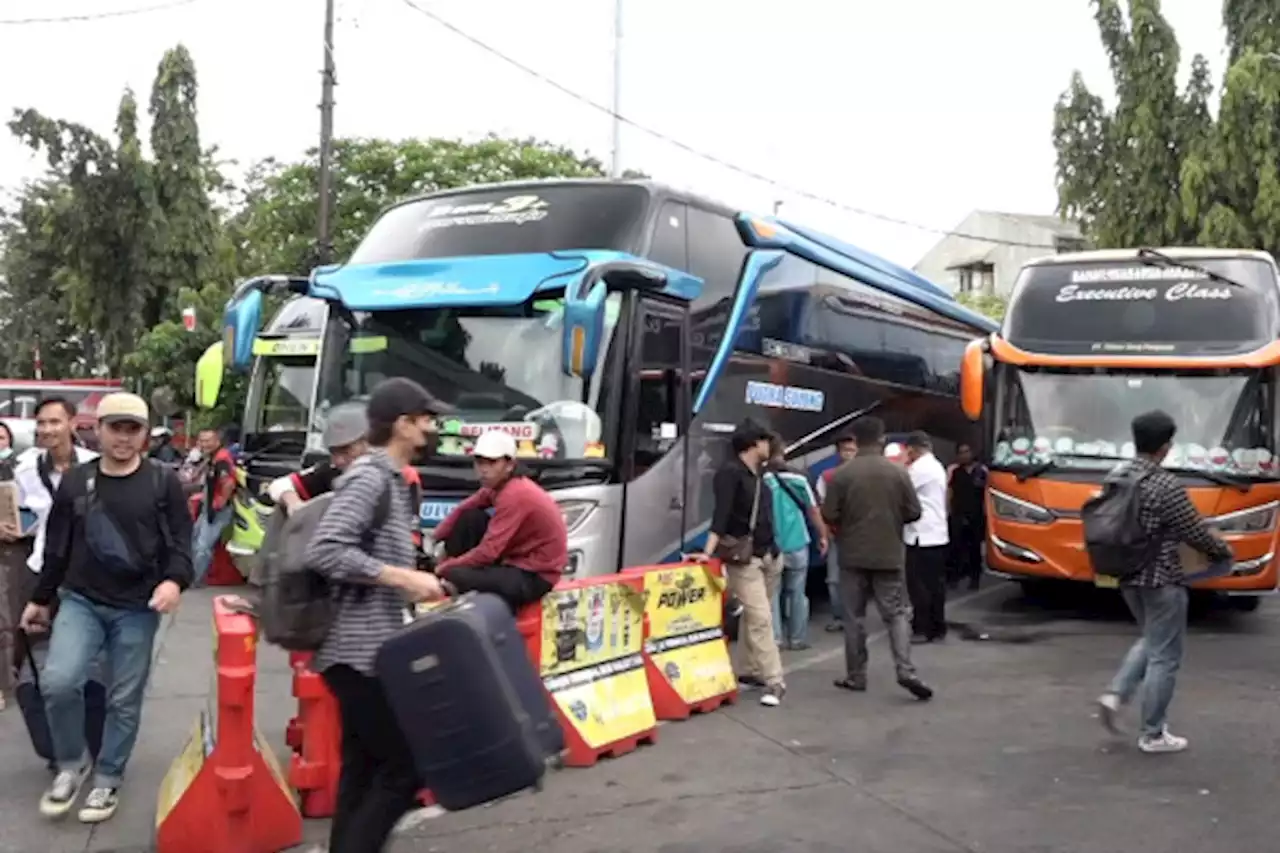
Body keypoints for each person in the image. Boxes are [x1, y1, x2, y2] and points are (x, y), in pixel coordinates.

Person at [20, 392, 193, 823]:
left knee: (124, 698)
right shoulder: (77, 481)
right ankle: (70, 764)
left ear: (145, 437)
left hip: (138, 607)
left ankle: (108, 777)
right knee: (58, 682)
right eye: (115, 427)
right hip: (80, 601)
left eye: (132, 429)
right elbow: (57, 547)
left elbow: (181, 544)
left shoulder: (163, 482)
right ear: (97, 431)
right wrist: (41, 599)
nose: (123, 437)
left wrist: (174, 581)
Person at [304, 377, 447, 853]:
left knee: (364, 768)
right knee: (405, 767)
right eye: (426, 418)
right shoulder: (370, 477)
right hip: (355, 650)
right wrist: (401, 578)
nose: (433, 427)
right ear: (403, 424)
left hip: (368, 647)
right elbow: (325, 551)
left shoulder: (390, 480)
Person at [1095, 410, 1232, 754]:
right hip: (1162, 577)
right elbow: (1194, 530)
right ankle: (1153, 733)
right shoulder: (1165, 485)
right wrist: (1223, 552)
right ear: (1167, 446)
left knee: (1153, 638)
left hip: (1125, 575)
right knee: (1166, 656)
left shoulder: (1116, 476)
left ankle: (1116, 694)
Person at [822, 416, 932, 700]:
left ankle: (856, 675)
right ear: (882, 439)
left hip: (852, 555)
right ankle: (906, 670)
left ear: (855, 441)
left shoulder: (842, 475)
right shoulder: (897, 473)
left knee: (853, 618)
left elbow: (829, 514)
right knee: (896, 613)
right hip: (889, 554)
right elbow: (914, 512)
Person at [2, 400, 99, 704]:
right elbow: (14, 508)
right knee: (28, 627)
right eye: (41, 423)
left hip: (85, 564)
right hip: (40, 561)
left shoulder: (95, 466)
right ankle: (30, 688)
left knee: (81, 631)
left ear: (72, 423)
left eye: (55, 422)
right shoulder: (25, 468)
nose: (47, 430)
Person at [694, 419, 784, 707]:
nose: (770, 446)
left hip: (769, 554)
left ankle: (749, 669)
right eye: (766, 441)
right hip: (745, 559)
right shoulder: (730, 474)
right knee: (760, 618)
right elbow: (720, 516)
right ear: (754, 443)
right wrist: (708, 552)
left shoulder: (757, 474)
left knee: (756, 616)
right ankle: (774, 680)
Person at [433, 430, 567, 612]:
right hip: (513, 561)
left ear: (509, 465)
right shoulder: (497, 486)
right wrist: (435, 538)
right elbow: (463, 509)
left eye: (492, 463)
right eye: (480, 463)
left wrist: (445, 567)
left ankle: (445, 589)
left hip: (535, 576)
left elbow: (488, 552)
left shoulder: (515, 494)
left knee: (456, 574)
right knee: (470, 517)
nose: (484, 469)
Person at [764, 434, 828, 651]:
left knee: (772, 595)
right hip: (797, 542)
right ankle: (797, 638)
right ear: (783, 451)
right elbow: (813, 510)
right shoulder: (799, 478)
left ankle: (775, 639)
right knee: (797, 593)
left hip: (770, 546)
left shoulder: (760, 480)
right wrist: (823, 535)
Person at [267, 403, 372, 515]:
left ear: (368, 441)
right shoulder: (331, 473)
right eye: (333, 452)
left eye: (346, 449)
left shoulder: (386, 473)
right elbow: (279, 485)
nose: (339, 460)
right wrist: (294, 503)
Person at [903, 431, 949, 644]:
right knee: (935, 585)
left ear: (913, 449)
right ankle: (937, 626)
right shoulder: (936, 465)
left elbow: (902, 487)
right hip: (935, 533)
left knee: (919, 584)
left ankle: (923, 628)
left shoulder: (921, 468)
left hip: (922, 534)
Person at [814, 431, 857, 632]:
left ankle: (854, 618)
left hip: (859, 536)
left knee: (857, 578)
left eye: (851, 450)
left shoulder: (864, 476)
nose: (848, 454)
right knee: (834, 579)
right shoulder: (827, 476)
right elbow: (821, 507)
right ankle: (840, 617)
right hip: (836, 535)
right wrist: (825, 533)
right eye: (844, 450)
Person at [190, 428, 237, 586]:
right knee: (195, 539)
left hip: (217, 509)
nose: (204, 444)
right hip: (208, 506)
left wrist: (220, 502)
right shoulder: (213, 457)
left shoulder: (221, 458)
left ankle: (195, 580)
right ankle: (194, 575)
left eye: (208, 440)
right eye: (202, 440)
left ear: (217, 441)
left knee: (202, 546)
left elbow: (228, 483)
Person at [947, 443, 987, 590]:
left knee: (974, 548)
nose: (964, 455)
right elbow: (950, 492)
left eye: (966, 452)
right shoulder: (955, 472)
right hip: (958, 514)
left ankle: (974, 578)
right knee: (956, 547)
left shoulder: (981, 471)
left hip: (975, 516)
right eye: (961, 452)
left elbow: (987, 493)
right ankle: (954, 578)